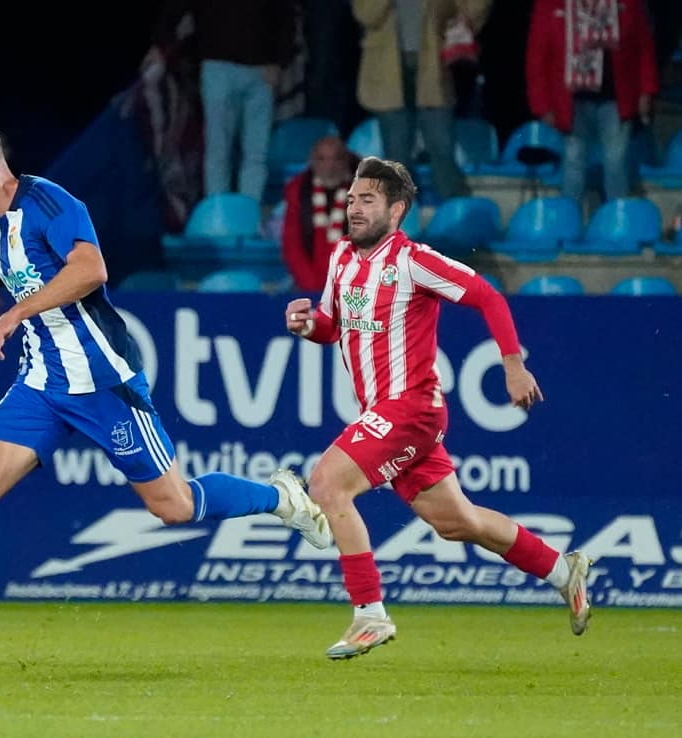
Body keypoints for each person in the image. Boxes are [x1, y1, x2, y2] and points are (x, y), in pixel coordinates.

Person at [0, 120, 332, 671]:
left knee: (174, 506)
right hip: (43, 383)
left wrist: (15, 314)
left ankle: (282, 498)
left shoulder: (49, 202)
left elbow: (91, 270)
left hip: (103, 382)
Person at [282, 156, 592, 660]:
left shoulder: (414, 261)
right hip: (386, 411)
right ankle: (563, 570)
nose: (354, 208)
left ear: (397, 209)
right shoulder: (341, 258)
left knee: (326, 484)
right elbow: (333, 326)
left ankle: (370, 615)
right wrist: (306, 325)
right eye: (352, 199)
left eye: (368, 200)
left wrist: (513, 366)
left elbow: (488, 297)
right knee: (457, 522)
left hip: (412, 407)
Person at [143, 1, 298, 203]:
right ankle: (218, 212)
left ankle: (248, 213)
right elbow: (177, 6)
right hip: (218, 68)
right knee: (218, 148)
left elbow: (286, 15)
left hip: (260, 72)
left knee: (255, 152)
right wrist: (159, 43)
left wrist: (279, 62)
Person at [351, 0, 492, 202]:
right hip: (387, 70)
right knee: (397, 156)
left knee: (442, 148)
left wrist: (462, 20)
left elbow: (475, 8)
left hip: (434, 66)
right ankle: (405, 221)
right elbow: (366, 15)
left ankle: (458, 216)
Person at [525, 0, 658, 203]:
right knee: (573, 163)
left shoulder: (628, 4)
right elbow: (537, 56)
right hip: (570, 101)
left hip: (615, 99)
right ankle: (569, 225)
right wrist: (542, 105)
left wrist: (646, 90)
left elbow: (643, 46)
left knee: (615, 164)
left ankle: (617, 223)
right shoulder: (550, 4)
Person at [279, 135, 360, 292]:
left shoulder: (365, 192)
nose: (329, 166)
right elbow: (292, 244)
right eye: (322, 159)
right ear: (312, 161)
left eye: (336, 159)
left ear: (346, 161)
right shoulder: (298, 190)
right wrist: (311, 286)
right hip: (308, 284)